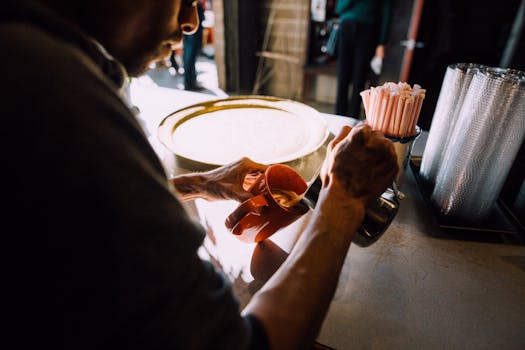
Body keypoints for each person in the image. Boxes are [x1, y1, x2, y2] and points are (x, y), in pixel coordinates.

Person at [2, 0, 398, 349]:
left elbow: (87, 218)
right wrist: (343, 200)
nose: (191, 22)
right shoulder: (57, 92)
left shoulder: (28, 50)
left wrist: (200, 184)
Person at [334, 0, 393, 118]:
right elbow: (339, 9)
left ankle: (352, 119)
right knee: (342, 75)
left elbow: (387, 13)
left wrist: (382, 43)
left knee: (359, 77)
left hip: (368, 29)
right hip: (346, 27)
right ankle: (339, 117)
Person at [182, 0, 206, 90]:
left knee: (190, 50)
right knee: (190, 50)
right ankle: (189, 82)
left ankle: (190, 81)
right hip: (191, 9)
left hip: (192, 9)